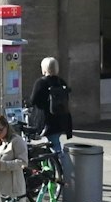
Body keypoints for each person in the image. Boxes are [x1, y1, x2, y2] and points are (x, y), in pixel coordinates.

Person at [28, 57, 76, 185]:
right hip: (61, 120)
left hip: (46, 121)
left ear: (44, 69)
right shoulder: (61, 82)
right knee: (54, 144)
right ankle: (58, 170)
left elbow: (33, 100)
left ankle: (65, 173)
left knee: (55, 148)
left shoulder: (41, 83)